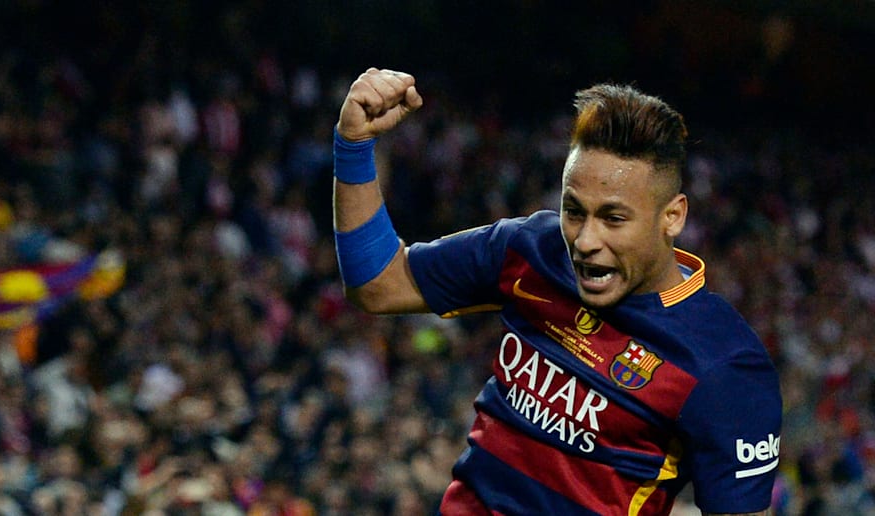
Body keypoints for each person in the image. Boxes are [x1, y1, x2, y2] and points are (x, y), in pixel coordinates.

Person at [331, 67, 782, 516]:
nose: (585, 241)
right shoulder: (531, 249)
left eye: (613, 218)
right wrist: (353, 145)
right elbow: (378, 284)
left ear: (673, 216)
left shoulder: (724, 364)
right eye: (574, 211)